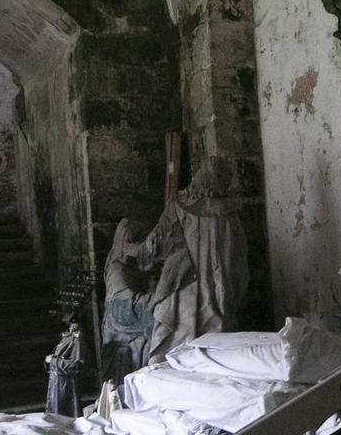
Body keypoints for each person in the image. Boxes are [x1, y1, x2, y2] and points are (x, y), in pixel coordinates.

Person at [100, 154, 249, 380]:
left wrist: (137, 251)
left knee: (176, 349)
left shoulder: (180, 207)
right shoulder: (229, 214)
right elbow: (240, 256)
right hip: (218, 289)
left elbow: (157, 242)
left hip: (184, 288)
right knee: (216, 350)